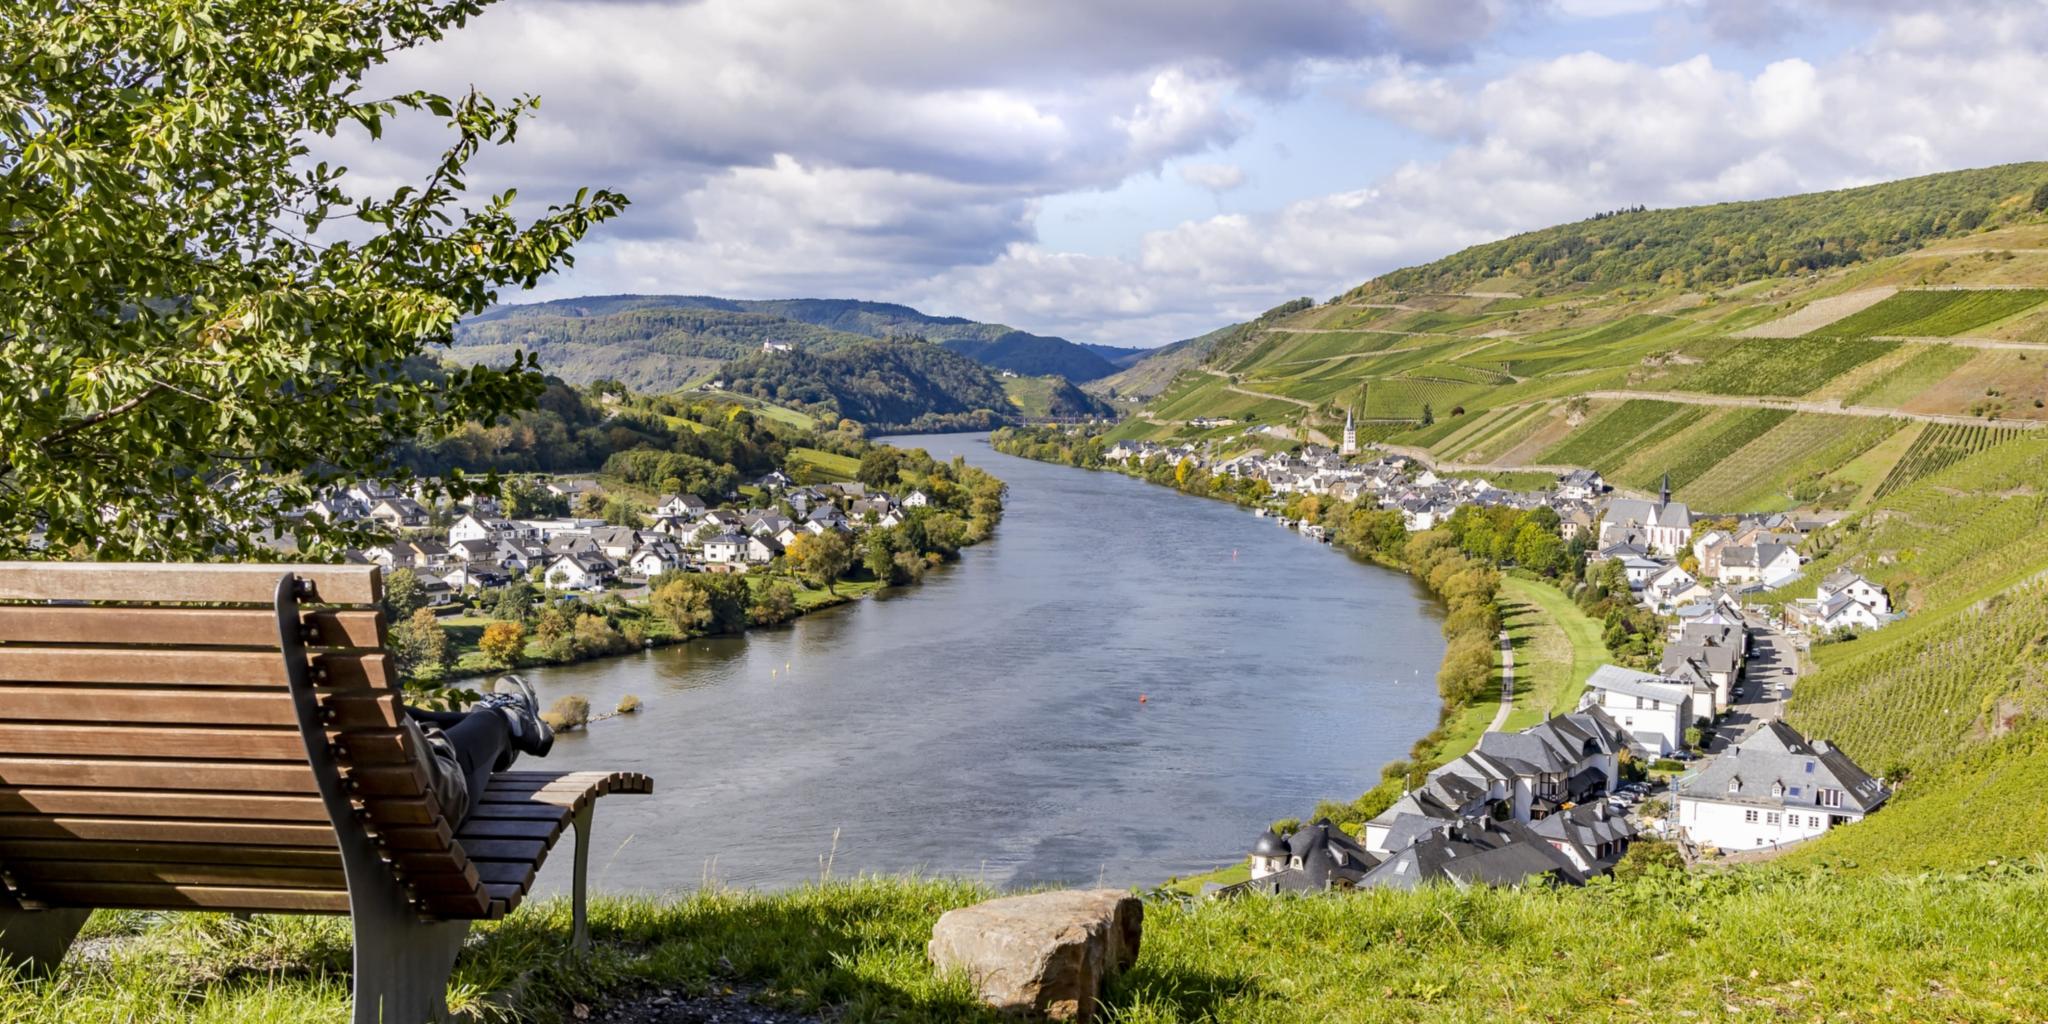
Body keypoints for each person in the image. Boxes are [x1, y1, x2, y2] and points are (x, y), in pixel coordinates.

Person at [400, 675, 554, 827]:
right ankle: (512, 720)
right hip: (436, 806)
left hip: (391, 831)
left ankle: (487, 724)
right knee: (496, 718)